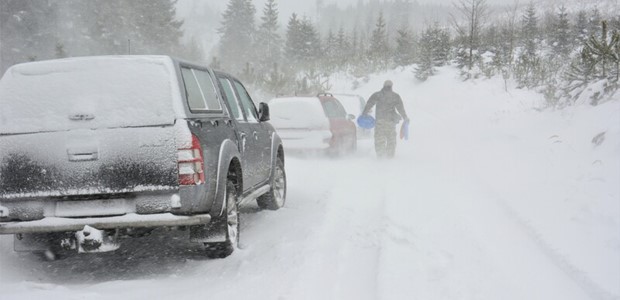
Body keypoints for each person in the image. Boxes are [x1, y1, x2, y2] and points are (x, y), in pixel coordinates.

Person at [361, 80, 409, 158]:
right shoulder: (395, 96)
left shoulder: (377, 95)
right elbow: (401, 108)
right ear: (391, 86)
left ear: (383, 86)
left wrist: (364, 113)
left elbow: (369, 104)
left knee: (379, 140)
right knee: (391, 140)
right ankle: (390, 157)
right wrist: (405, 117)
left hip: (380, 122)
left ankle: (380, 157)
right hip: (390, 122)